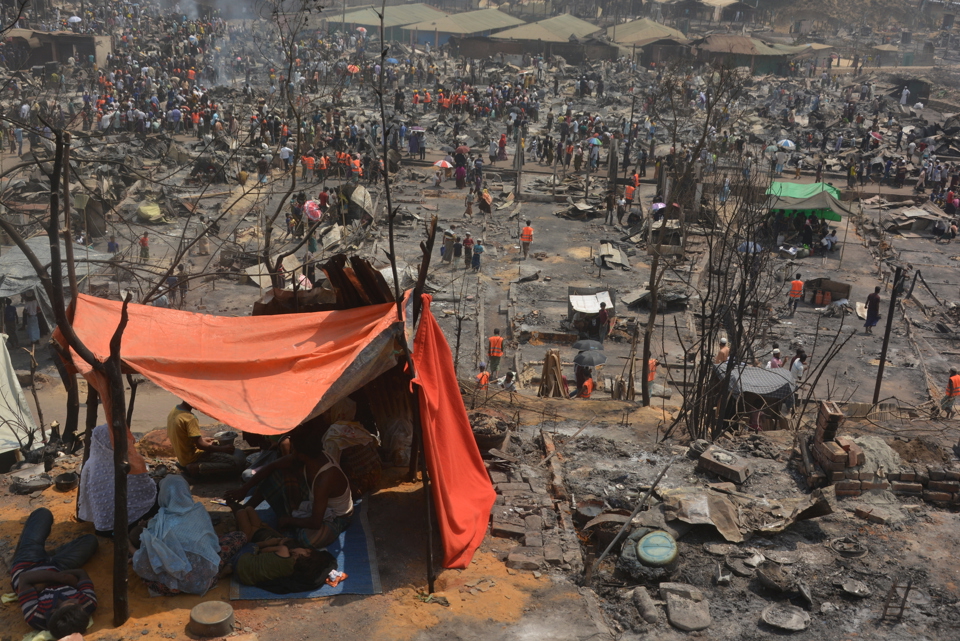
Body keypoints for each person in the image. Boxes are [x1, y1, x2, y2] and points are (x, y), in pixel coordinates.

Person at [223, 425, 354, 550]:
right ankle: (247, 508)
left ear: (301, 454)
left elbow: (316, 522)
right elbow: (271, 467)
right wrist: (244, 489)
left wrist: (289, 520)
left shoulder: (324, 478)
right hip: (315, 503)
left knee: (306, 540)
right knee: (276, 474)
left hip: (336, 517)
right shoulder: (310, 458)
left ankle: (288, 522)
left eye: (294, 449)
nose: (292, 451)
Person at [11, 508, 98, 636]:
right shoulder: (87, 604)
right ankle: (48, 556)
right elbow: (81, 573)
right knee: (91, 540)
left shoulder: (35, 616)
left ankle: (26, 552)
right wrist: (59, 578)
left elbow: (24, 578)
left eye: (72, 602)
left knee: (43, 514)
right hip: (58, 566)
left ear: (54, 611)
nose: (78, 601)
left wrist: (63, 579)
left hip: (27, 563)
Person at [132, 476, 223, 595]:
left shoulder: (159, 521)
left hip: (169, 586)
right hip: (204, 580)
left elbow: (144, 561)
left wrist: (130, 545)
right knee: (235, 538)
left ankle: (176, 586)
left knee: (146, 557)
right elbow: (213, 545)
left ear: (163, 494)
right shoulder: (199, 511)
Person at [220, 506, 334, 590]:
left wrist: (272, 543)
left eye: (306, 550)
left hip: (252, 535)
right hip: (262, 528)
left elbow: (261, 550)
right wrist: (269, 529)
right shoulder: (289, 569)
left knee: (241, 512)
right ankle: (238, 522)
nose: (304, 548)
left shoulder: (283, 550)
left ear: (304, 555)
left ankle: (231, 562)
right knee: (249, 509)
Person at [78, 424, 157, 536]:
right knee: (158, 490)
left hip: (103, 527)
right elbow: (147, 490)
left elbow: (88, 496)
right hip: (131, 522)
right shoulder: (128, 462)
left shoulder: (90, 466)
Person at [167, 400, 246, 477]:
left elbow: (186, 438)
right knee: (236, 462)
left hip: (184, 457)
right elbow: (200, 445)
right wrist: (222, 449)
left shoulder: (175, 410)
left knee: (237, 453)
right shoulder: (190, 418)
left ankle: (190, 466)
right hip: (193, 458)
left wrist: (203, 440)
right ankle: (196, 468)